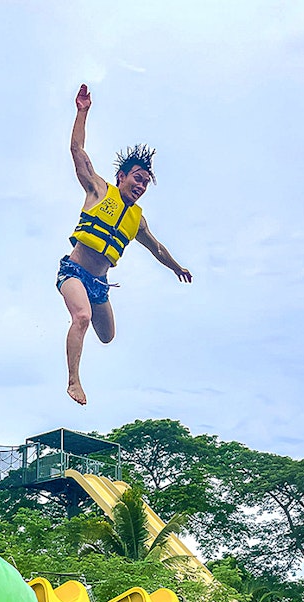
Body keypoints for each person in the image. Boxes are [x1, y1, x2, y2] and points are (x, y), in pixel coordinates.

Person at [57, 84, 192, 405]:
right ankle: (74, 381)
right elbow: (77, 151)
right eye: (137, 178)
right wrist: (82, 112)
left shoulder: (137, 221)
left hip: (100, 283)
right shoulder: (99, 189)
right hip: (73, 272)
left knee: (107, 337)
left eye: (146, 182)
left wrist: (177, 268)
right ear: (121, 176)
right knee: (82, 317)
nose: (141, 185)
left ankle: (94, 309)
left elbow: (157, 249)